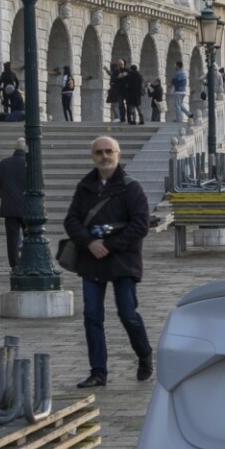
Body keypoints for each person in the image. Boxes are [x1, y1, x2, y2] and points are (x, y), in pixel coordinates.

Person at [64, 136, 154, 388]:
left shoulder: (131, 187)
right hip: (92, 261)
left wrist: (110, 245)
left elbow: (140, 224)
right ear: (93, 156)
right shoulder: (85, 186)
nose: (104, 156)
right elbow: (71, 220)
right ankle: (98, 372)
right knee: (92, 317)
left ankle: (144, 354)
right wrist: (90, 243)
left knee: (128, 314)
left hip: (123, 261)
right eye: (99, 152)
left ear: (118, 154)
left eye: (108, 151)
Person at [0, 137, 30, 270]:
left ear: (15, 148)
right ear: (25, 149)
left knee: (12, 238)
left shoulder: (4, 163)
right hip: (27, 207)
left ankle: (14, 264)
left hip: (9, 206)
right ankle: (28, 261)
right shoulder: (29, 164)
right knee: (30, 236)